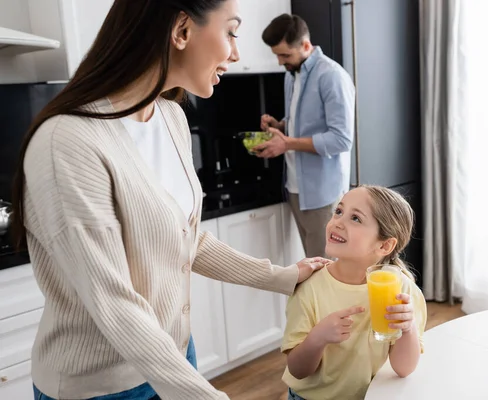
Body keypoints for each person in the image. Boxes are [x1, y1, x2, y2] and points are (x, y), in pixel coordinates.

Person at [11, 1, 327, 399]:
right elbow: (112, 301)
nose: (236, 52)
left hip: (174, 356)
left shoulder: (169, 117)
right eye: (230, 31)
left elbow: (184, 237)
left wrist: (281, 277)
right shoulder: (69, 142)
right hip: (104, 387)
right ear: (181, 30)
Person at [281, 185, 428, 400]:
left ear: (385, 245)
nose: (338, 222)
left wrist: (408, 328)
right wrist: (317, 338)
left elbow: (404, 369)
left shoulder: (401, 289)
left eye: (356, 218)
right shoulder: (309, 286)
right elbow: (297, 369)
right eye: (339, 211)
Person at [256, 14, 355, 259]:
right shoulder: (292, 75)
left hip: (323, 195)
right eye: (277, 55)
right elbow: (305, 124)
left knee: (326, 273)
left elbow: (341, 139)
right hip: (296, 190)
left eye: (285, 55)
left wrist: (287, 143)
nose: (280, 62)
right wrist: (279, 125)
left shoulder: (331, 76)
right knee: (312, 270)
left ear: (306, 46)